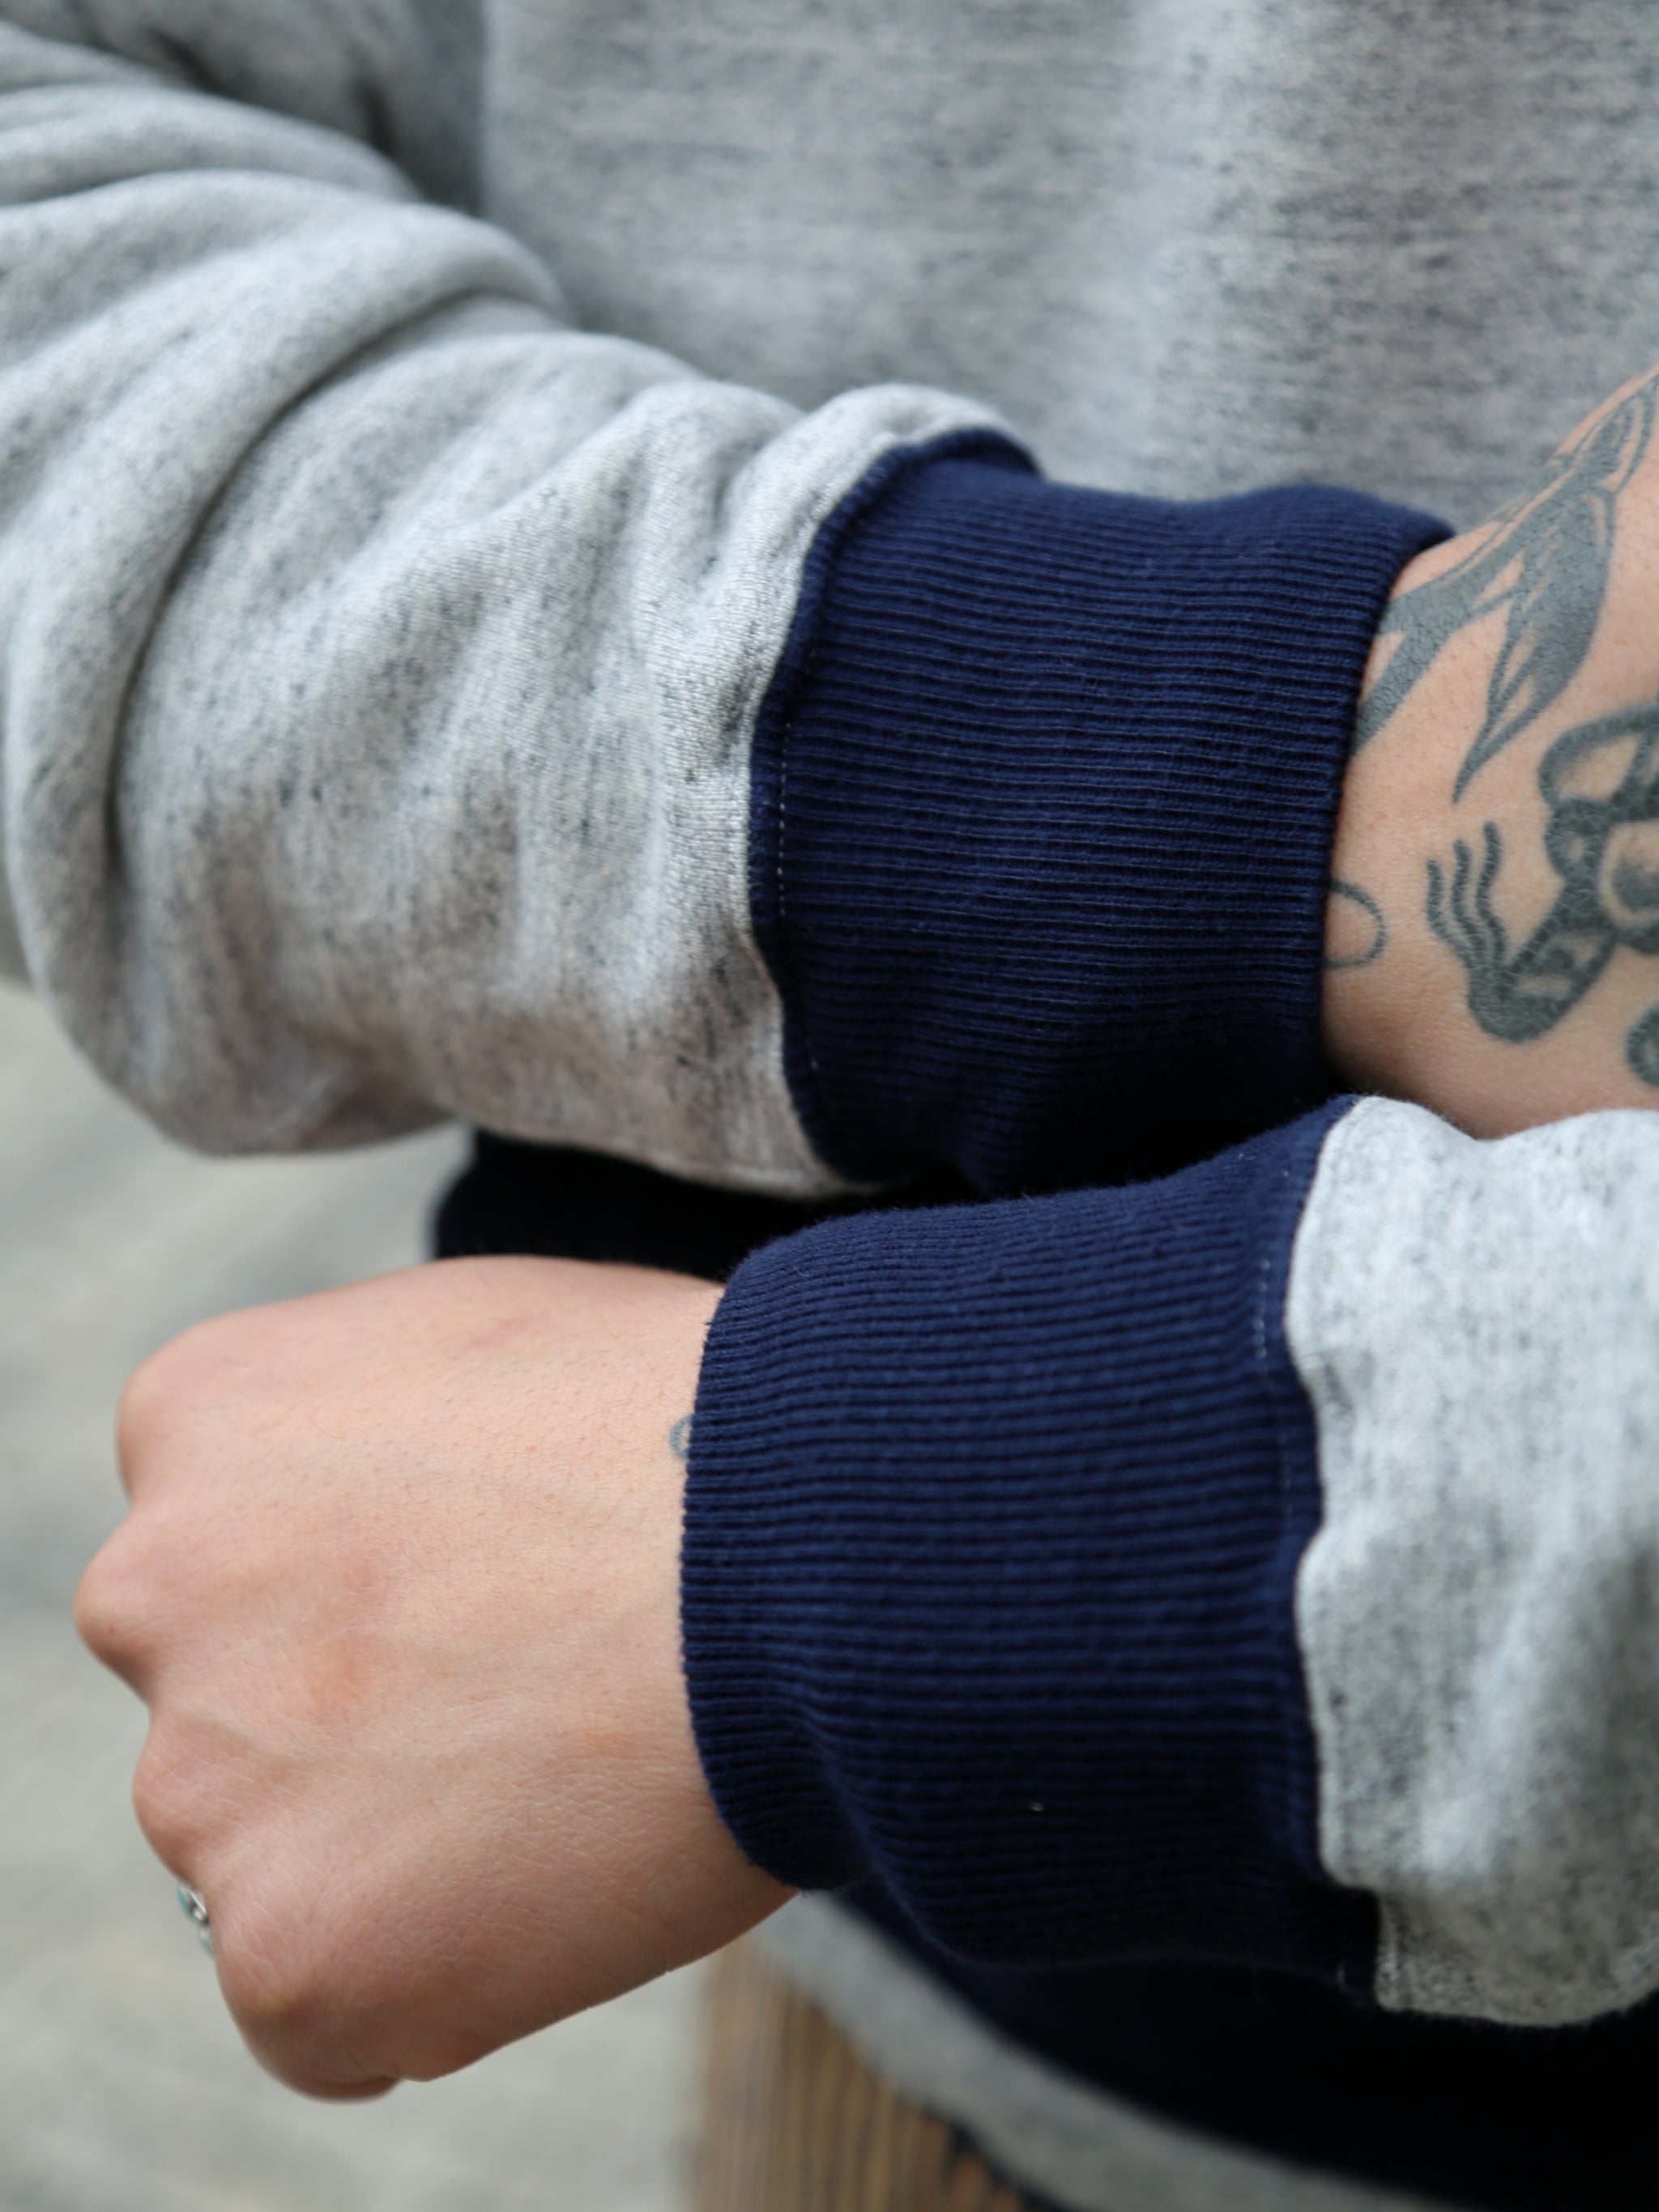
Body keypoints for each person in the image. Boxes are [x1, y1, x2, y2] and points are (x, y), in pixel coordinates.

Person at [8, 2, 1659, 2204]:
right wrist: (1217, 786)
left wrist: (873, 1543)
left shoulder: (799, 1584)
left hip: (760, 1683)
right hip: (886, 1981)